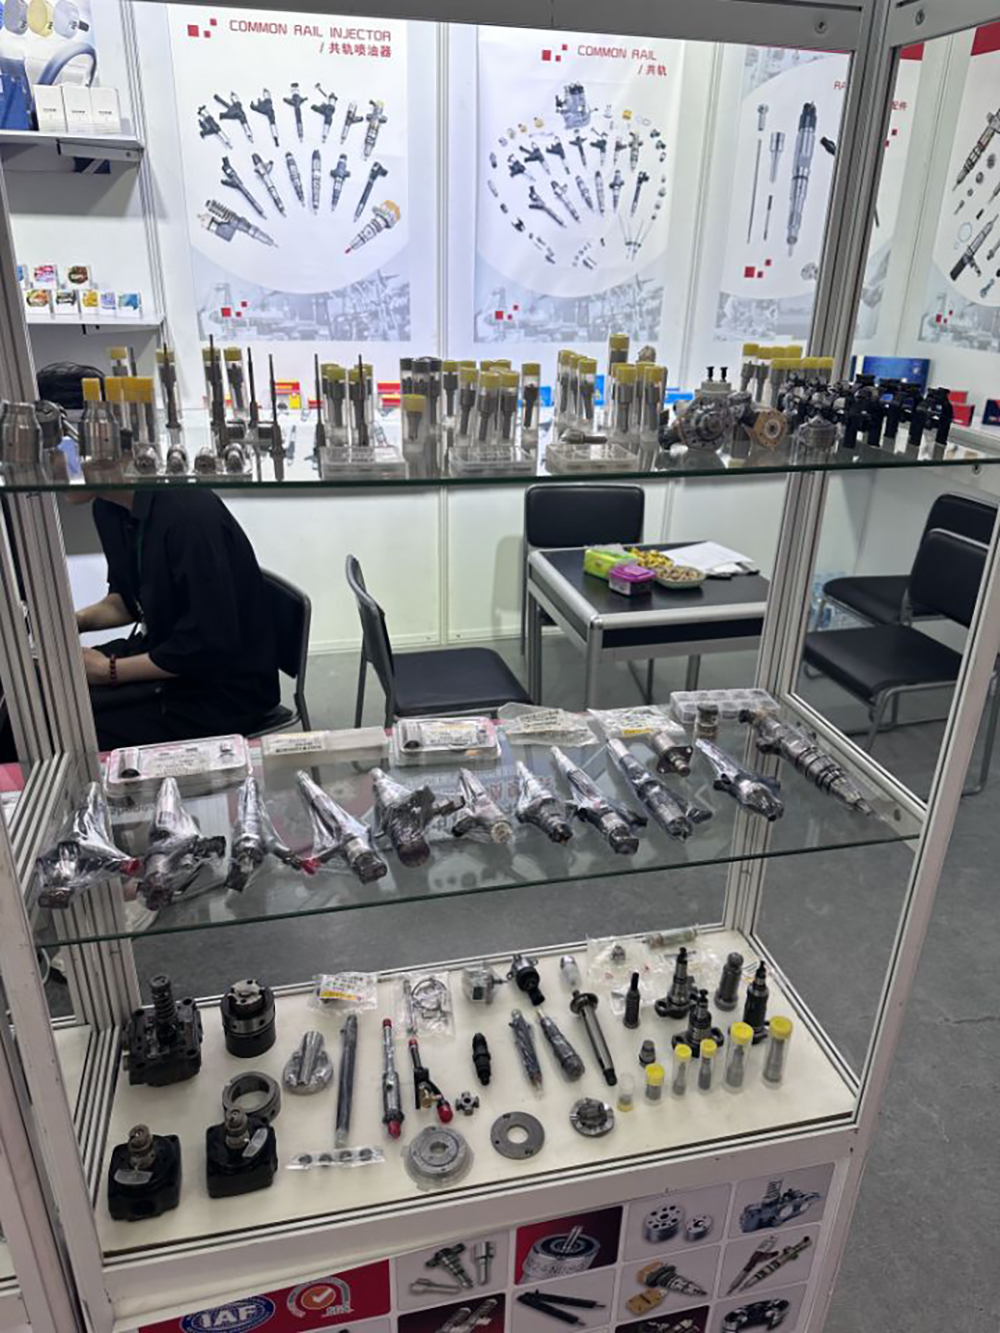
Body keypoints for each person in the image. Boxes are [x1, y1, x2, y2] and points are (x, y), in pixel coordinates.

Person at [75, 487, 280, 750]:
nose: (48, 468)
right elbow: (129, 601)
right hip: (172, 653)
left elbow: (207, 644)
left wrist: (109, 671)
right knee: (54, 692)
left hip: (223, 689)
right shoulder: (108, 508)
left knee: (70, 725)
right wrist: (76, 621)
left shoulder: (189, 515)